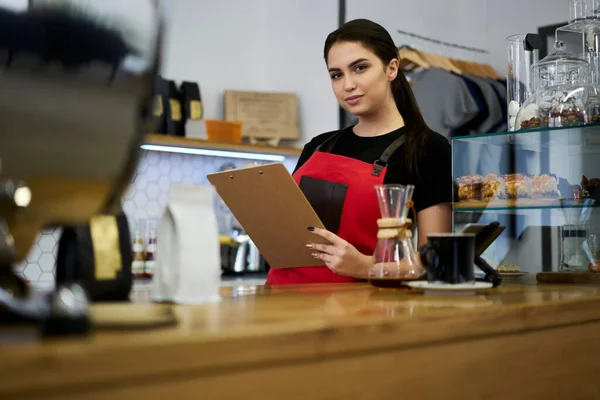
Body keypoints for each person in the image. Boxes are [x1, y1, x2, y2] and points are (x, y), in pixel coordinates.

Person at [265, 19, 452, 285]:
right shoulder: (317, 146)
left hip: (357, 311)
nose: (347, 84)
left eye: (360, 68)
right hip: (280, 299)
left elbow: (437, 261)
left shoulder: (428, 148)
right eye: (336, 75)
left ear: (391, 68)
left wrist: (366, 266)